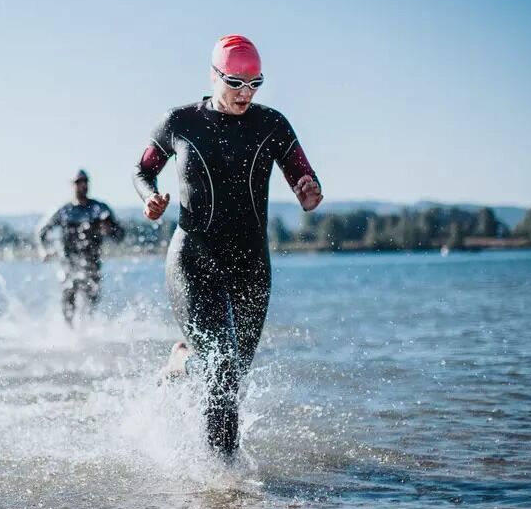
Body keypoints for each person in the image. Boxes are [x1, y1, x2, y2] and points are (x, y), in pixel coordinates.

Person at [132, 35, 324, 456]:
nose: (245, 93)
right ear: (214, 75)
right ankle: (224, 480)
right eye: (236, 83)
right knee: (220, 370)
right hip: (194, 259)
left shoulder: (271, 124)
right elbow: (142, 169)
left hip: (251, 265)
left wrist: (309, 193)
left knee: (231, 377)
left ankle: (182, 362)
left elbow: (303, 177)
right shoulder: (179, 122)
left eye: (255, 83)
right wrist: (150, 197)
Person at [37, 169, 126, 325]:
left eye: (85, 181)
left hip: (92, 263)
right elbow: (41, 231)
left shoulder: (100, 209)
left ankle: (87, 334)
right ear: (72, 185)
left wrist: (109, 229)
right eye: (79, 182)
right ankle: (69, 334)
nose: (83, 185)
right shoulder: (64, 210)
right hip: (68, 263)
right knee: (68, 295)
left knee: (91, 301)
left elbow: (120, 235)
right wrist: (44, 250)